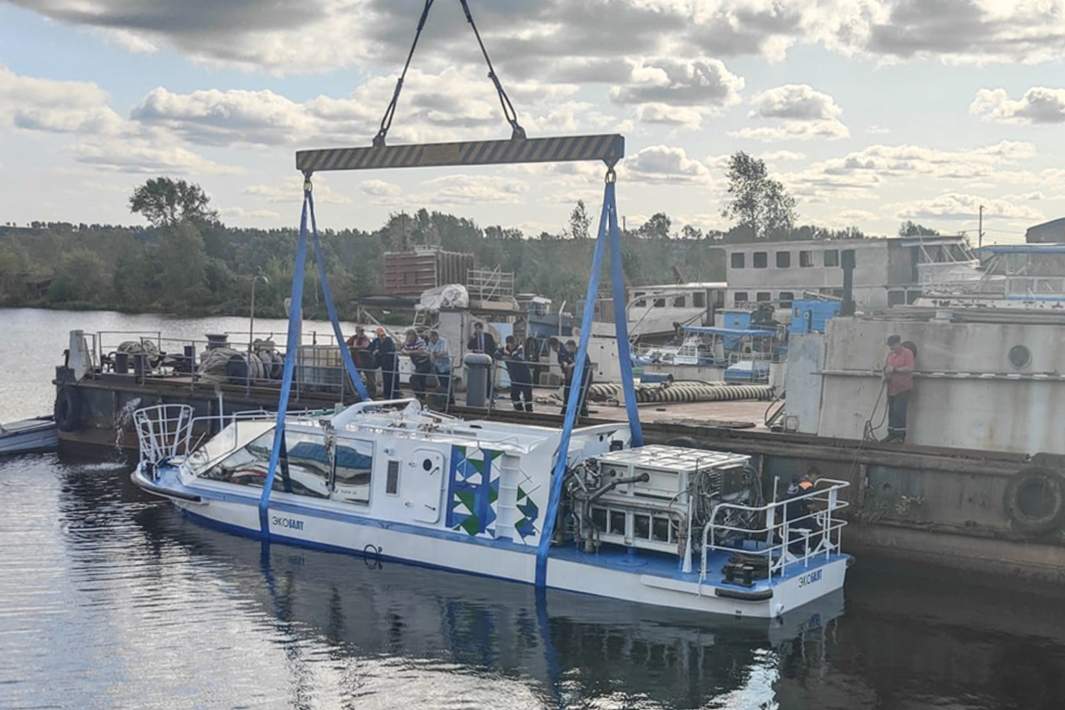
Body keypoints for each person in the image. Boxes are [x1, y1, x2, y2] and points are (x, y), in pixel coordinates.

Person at [883, 334, 915, 443]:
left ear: (898, 343)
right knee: (891, 412)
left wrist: (895, 369)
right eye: (890, 346)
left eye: (892, 346)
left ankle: (900, 436)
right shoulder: (890, 355)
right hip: (892, 388)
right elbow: (887, 368)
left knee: (899, 411)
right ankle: (891, 434)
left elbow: (910, 368)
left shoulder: (907, 353)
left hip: (903, 388)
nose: (891, 348)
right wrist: (885, 376)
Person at [558, 338, 591, 417]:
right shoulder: (570, 354)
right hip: (576, 378)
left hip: (584, 378)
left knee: (581, 396)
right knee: (570, 394)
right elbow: (565, 360)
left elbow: (580, 361)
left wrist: (570, 366)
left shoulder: (581, 352)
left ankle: (583, 414)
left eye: (569, 348)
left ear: (573, 346)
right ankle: (570, 412)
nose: (568, 350)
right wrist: (565, 363)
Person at [500, 335, 533, 412]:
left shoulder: (520, 348)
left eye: (512, 343)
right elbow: (496, 354)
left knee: (527, 395)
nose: (511, 345)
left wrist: (507, 357)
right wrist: (502, 357)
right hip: (514, 376)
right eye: (509, 343)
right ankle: (519, 410)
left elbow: (517, 357)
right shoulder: (504, 350)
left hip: (525, 376)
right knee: (514, 395)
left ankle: (529, 411)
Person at [467, 321, 497, 401]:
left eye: (478, 329)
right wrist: (472, 339)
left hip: (486, 359)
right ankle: (479, 394)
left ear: (481, 329)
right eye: (475, 329)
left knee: (487, 378)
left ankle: (489, 396)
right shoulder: (474, 337)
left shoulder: (488, 336)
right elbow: (469, 347)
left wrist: (492, 358)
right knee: (477, 378)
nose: (477, 331)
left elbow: (493, 347)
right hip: (477, 360)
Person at [401, 329, 430, 399]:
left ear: (414, 336)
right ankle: (421, 397)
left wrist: (410, 352)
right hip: (417, 364)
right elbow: (404, 350)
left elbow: (422, 351)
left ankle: (420, 396)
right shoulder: (408, 342)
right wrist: (404, 349)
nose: (408, 338)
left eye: (409, 336)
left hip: (425, 363)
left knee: (413, 378)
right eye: (407, 336)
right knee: (421, 381)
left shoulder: (420, 341)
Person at [426, 330, 453, 406]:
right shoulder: (430, 343)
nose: (432, 339)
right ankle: (444, 400)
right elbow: (428, 351)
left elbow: (444, 351)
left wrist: (435, 354)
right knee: (441, 383)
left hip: (446, 365)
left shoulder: (444, 341)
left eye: (433, 337)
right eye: (430, 337)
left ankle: (450, 400)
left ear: (436, 336)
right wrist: (431, 354)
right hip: (437, 365)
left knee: (447, 383)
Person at [370, 327, 398, 399]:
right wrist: (374, 351)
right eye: (379, 335)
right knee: (385, 379)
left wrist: (378, 351)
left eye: (382, 335)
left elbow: (390, 349)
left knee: (392, 379)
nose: (381, 337)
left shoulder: (388, 340)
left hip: (391, 363)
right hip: (382, 362)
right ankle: (386, 394)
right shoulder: (376, 341)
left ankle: (393, 395)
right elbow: (371, 348)